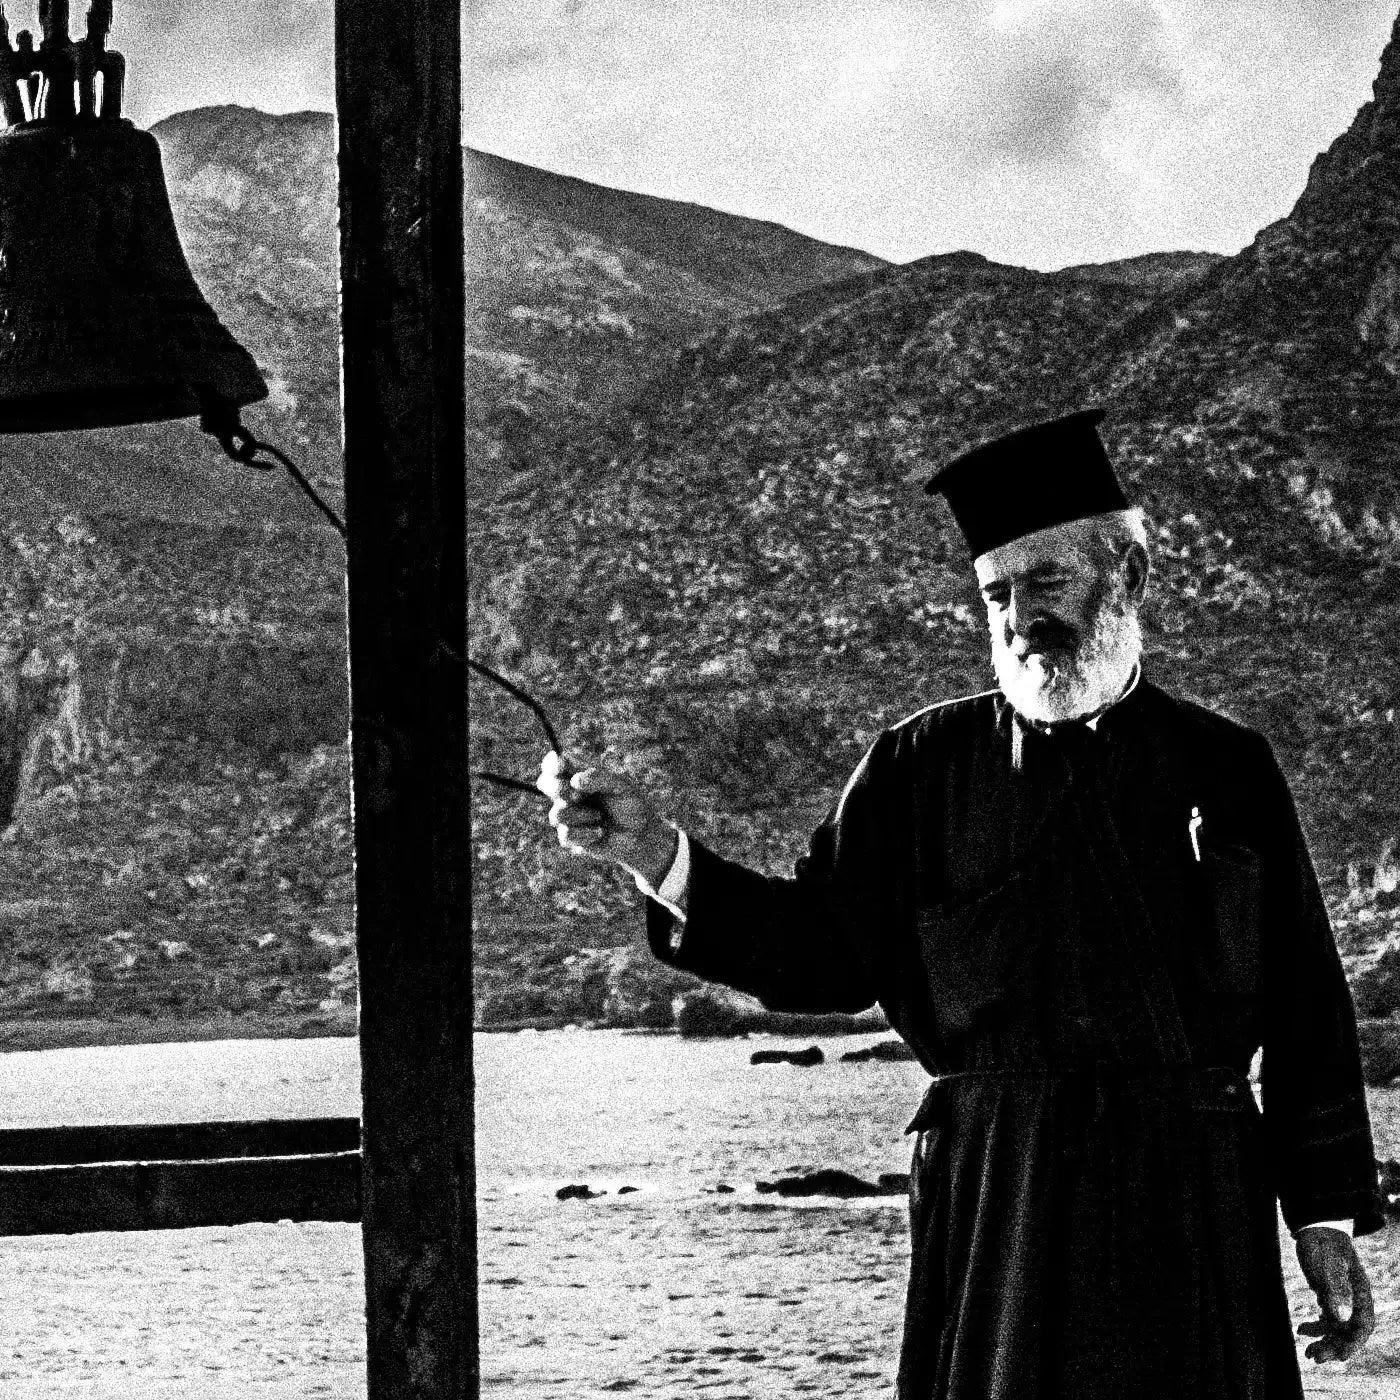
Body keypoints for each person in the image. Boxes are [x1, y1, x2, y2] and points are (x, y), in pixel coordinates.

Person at [536, 408, 1382, 1400]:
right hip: (998, 1199)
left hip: (1188, 1192)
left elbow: (1303, 1004)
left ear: (1128, 577)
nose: (1019, 618)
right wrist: (650, 849)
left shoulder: (1226, 766)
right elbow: (820, 954)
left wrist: (1319, 1219)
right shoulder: (914, 766)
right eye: (995, 595)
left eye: (1045, 581)